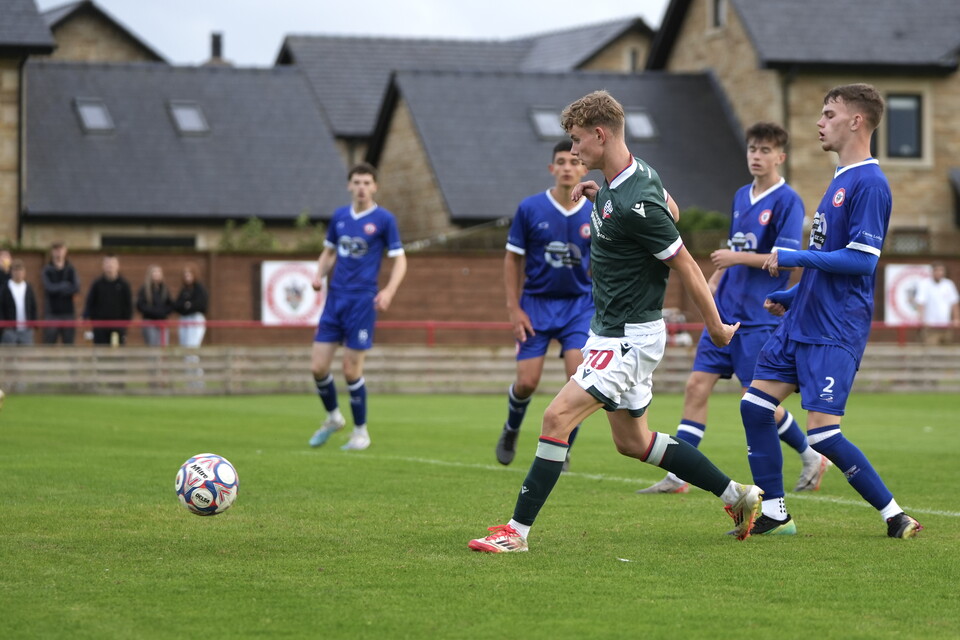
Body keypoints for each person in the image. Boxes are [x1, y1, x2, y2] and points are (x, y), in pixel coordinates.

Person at [469, 90, 762, 553]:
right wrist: (601, 194)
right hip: (609, 332)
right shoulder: (630, 177)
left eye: (577, 140)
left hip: (628, 339)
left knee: (556, 416)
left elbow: (685, 262)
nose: (573, 150)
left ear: (600, 135)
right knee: (633, 441)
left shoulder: (635, 199)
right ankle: (737, 496)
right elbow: (672, 210)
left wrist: (717, 327)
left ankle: (516, 533)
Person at [742, 83, 922, 539]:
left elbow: (862, 260)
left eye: (828, 114)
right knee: (755, 406)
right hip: (802, 320)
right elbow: (829, 259)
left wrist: (794, 257)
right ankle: (776, 513)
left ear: (856, 121)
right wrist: (791, 295)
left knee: (823, 435)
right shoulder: (841, 178)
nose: (820, 122)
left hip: (834, 328)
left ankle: (895, 515)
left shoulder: (870, 183)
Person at [638, 122, 830, 500]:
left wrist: (734, 258)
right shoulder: (742, 195)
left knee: (756, 399)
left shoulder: (788, 200)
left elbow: (785, 259)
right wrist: (715, 278)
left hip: (757, 318)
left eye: (765, 150)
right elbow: (734, 248)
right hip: (724, 312)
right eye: (752, 149)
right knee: (696, 386)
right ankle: (678, 475)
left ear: (780, 157)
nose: (756, 156)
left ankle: (811, 455)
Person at [496, 141, 682, 472]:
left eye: (573, 161)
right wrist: (514, 308)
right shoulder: (530, 208)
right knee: (526, 382)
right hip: (536, 304)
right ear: (551, 169)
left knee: (579, 377)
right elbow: (513, 258)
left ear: (583, 167)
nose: (567, 167)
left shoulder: (596, 206)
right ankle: (511, 428)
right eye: (560, 162)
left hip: (579, 306)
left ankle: (562, 447)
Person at [307, 162, 407, 451]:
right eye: (357, 182)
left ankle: (361, 433)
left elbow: (400, 259)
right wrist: (318, 274)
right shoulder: (340, 217)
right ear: (349, 185)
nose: (362, 187)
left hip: (362, 300)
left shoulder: (384, 220)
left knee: (351, 370)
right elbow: (329, 252)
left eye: (367, 183)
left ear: (375, 187)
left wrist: (388, 291)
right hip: (335, 299)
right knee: (317, 367)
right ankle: (333, 418)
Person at [83, 255, 133, 346]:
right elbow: (90, 302)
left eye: (112, 263)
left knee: (118, 352)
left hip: (118, 326)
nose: (110, 265)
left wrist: (125, 323)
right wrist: (87, 317)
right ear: (103, 266)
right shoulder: (97, 284)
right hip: (100, 327)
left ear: (118, 265)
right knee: (100, 351)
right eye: (107, 263)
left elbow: (128, 305)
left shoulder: (124, 284)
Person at [41, 242, 81, 345]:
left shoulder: (71, 269)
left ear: (65, 251)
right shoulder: (47, 270)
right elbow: (49, 288)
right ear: (52, 252)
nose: (58, 253)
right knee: (49, 345)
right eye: (56, 250)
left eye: (60, 250)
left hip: (68, 313)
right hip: (52, 314)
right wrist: (64, 285)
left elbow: (76, 287)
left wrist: (57, 289)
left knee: (69, 345)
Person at [914, 262, 959, 345]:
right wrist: (921, 319)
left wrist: (956, 318)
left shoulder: (948, 284)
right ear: (932, 271)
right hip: (930, 326)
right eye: (936, 270)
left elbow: (954, 303)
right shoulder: (924, 284)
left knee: (947, 349)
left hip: (946, 326)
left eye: (941, 270)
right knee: (932, 349)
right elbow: (920, 303)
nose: (939, 273)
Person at [1, 260, 38, 345]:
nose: (18, 273)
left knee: (26, 352)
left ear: (24, 272)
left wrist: (33, 324)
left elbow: (33, 307)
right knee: (9, 352)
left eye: (20, 270)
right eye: (15, 270)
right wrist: (4, 326)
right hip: (10, 330)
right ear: (11, 272)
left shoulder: (28, 288)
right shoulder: (5, 288)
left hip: (26, 330)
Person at [136, 265, 174, 346]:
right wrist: (153, 312)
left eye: (158, 272)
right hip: (149, 321)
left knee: (164, 345)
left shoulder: (164, 289)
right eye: (154, 272)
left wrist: (163, 312)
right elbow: (140, 305)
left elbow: (170, 305)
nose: (156, 274)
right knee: (152, 346)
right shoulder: (144, 289)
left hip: (163, 322)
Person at [174, 264, 208, 348]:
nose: (187, 277)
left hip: (195, 318)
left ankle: (192, 357)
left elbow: (201, 305)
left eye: (189, 274)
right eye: (185, 274)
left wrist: (189, 305)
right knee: (184, 344)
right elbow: (178, 305)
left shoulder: (199, 289)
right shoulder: (184, 290)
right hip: (184, 318)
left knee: (193, 344)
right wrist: (186, 305)